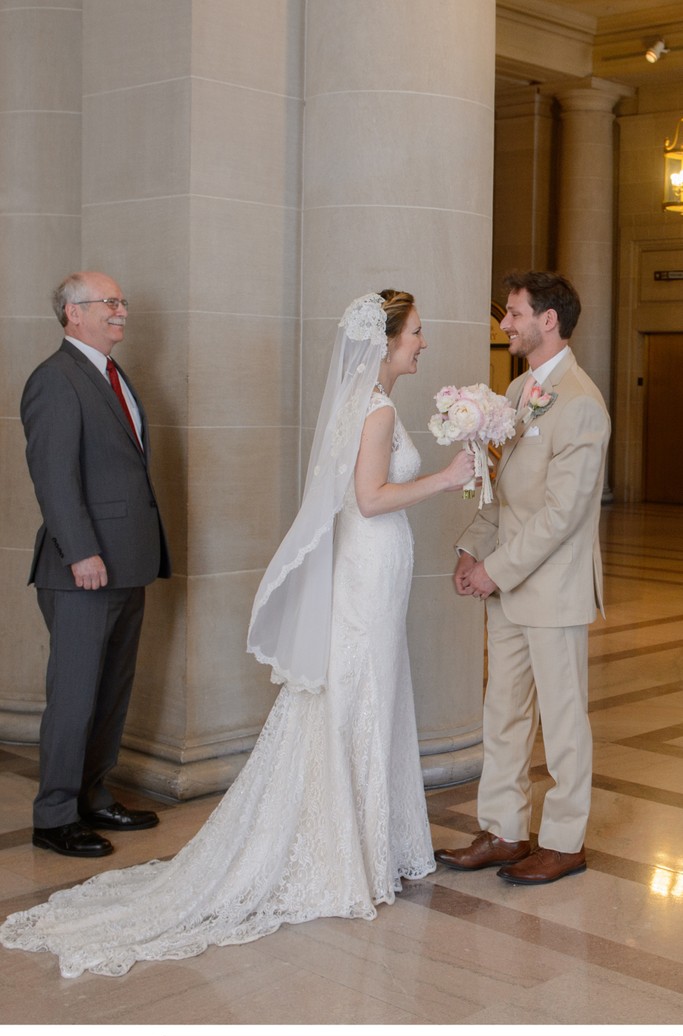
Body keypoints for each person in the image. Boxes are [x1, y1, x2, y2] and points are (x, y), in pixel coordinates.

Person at [0, 290, 474, 977]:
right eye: (418, 334)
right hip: (360, 571)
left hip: (365, 573)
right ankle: (343, 848)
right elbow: (368, 500)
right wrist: (446, 477)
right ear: (387, 341)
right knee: (354, 693)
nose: (423, 344)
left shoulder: (366, 403)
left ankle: (365, 839)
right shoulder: (372, 408)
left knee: (362, 692)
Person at [435, 271, 610, 885]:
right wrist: (470, 549)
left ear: (548, 321)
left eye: (513, 314)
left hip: (553, 587)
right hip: (505, 583)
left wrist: (495, 570)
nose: (504, 324)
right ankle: (505, 830)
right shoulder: (514, 395)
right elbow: (502, 492)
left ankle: (564, 842)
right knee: (502, 712)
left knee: (562, 721)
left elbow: (564, 515)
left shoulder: (582, 404)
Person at [19, 271, 171, 859]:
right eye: (110, 303)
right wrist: (81, 550)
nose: (122, 312)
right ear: (72, 313)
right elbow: (54, 476)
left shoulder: (112, 374)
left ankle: (92, 793)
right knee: (76, 694)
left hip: (128, 561)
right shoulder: (55, 379)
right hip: (83, 567)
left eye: (123, 302)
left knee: (110, 691)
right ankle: (54, 815)